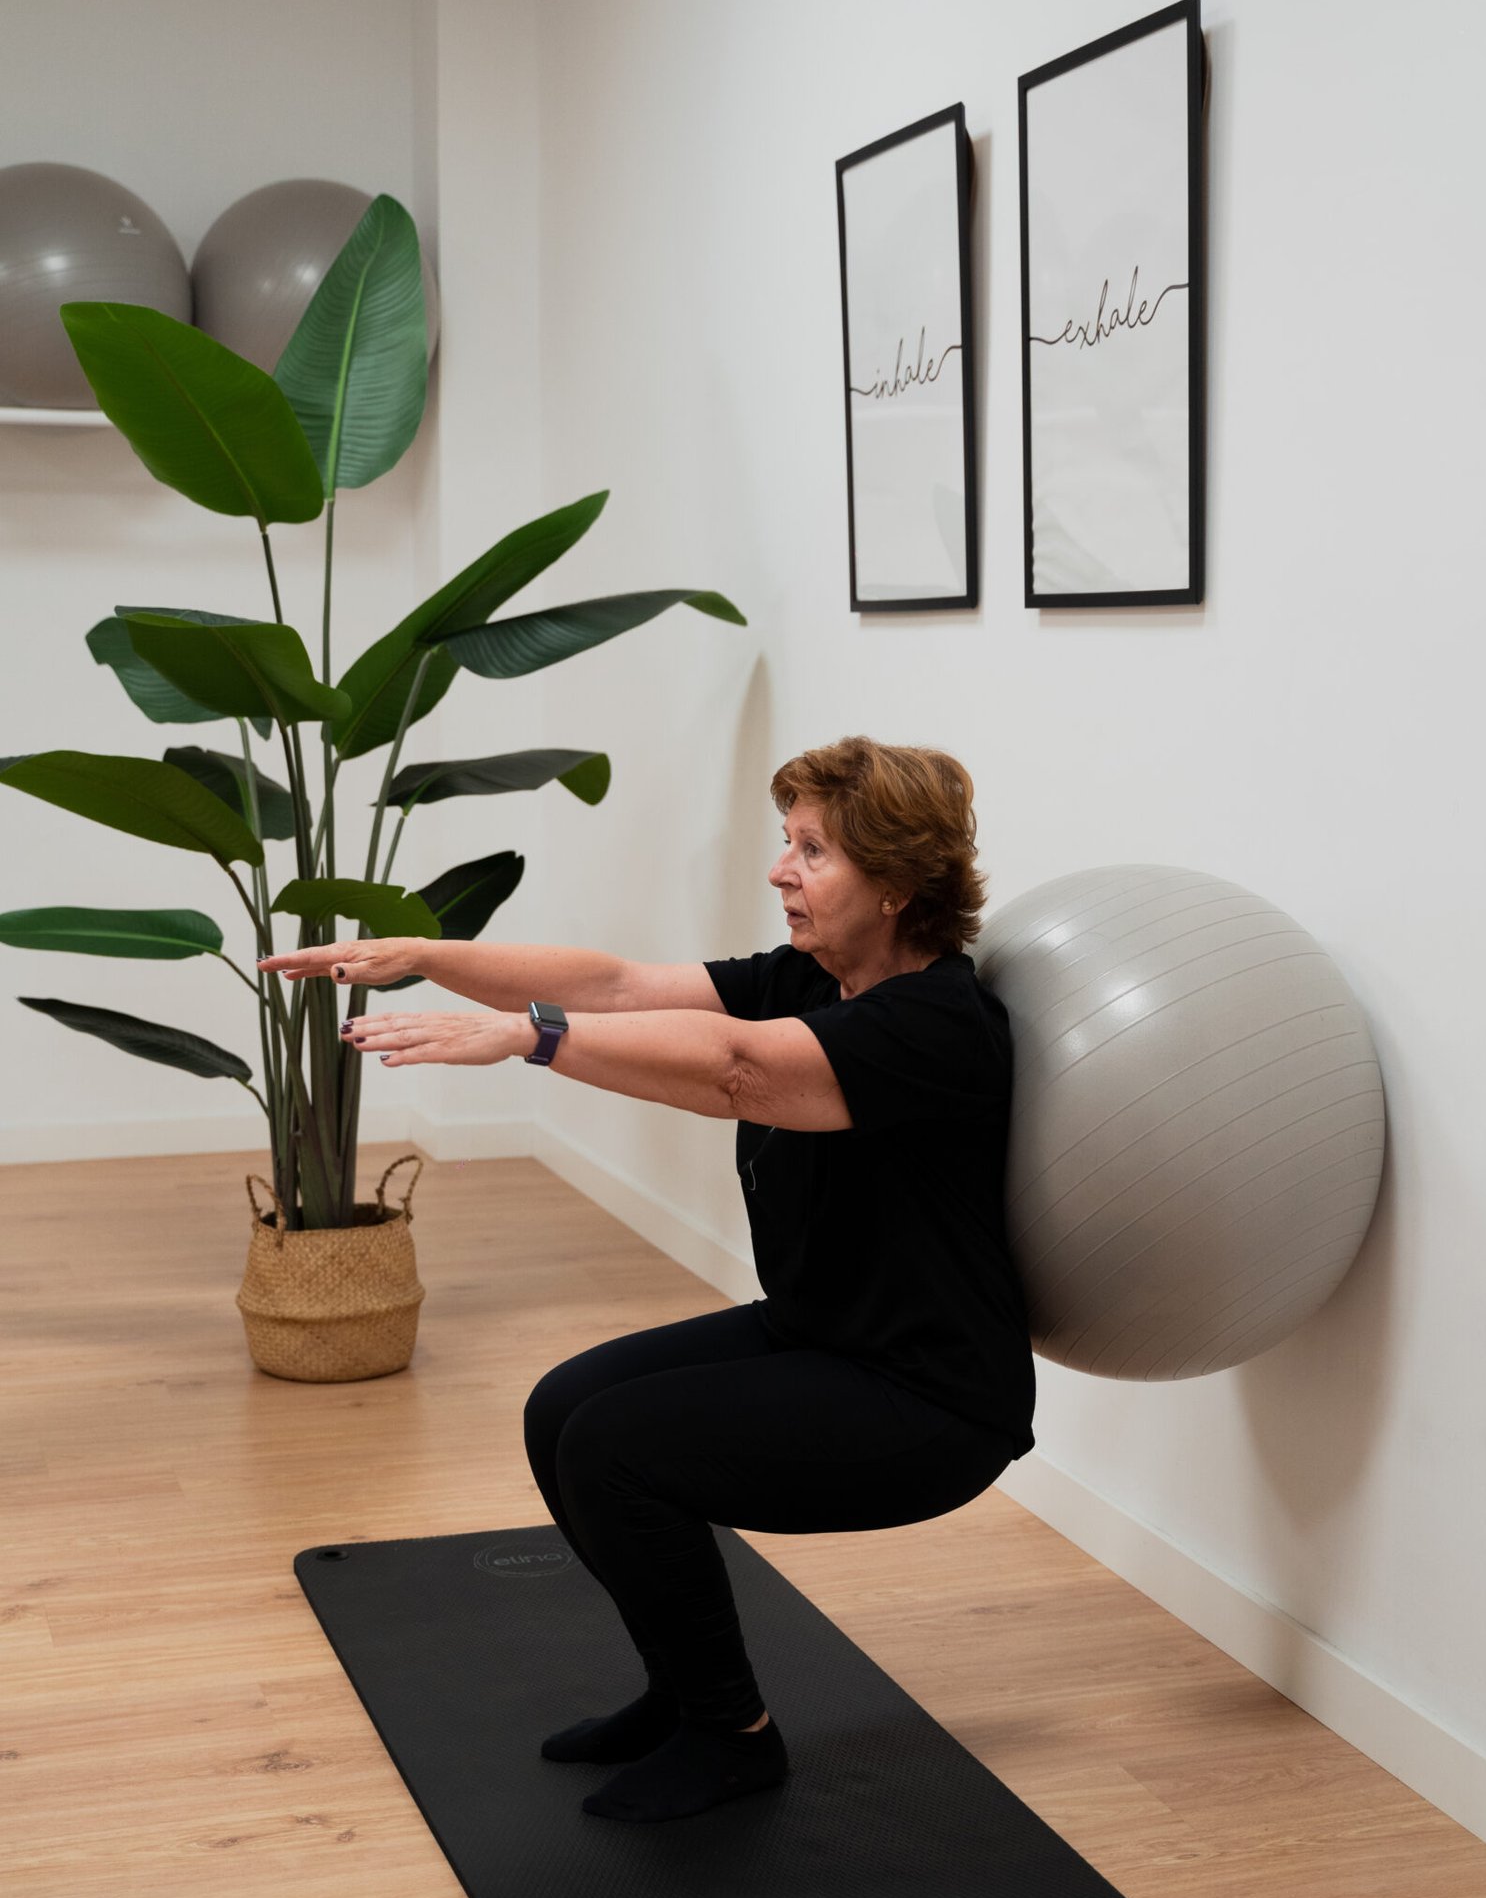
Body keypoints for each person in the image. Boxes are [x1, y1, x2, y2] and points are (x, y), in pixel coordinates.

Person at [258, 735, 1036, 1825]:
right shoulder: (814, 979)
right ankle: (682, 1693)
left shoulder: (933, 1029)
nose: (780, 870)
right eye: (786, 842)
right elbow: (616, 985)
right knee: (563, 1409)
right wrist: (428, 954)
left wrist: (524, 1041)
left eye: (812, 851)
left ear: (899, 885)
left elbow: (737, 1071)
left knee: (619, 1451)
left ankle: (732, 1737)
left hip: (930, 1395)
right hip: (826, 1333)